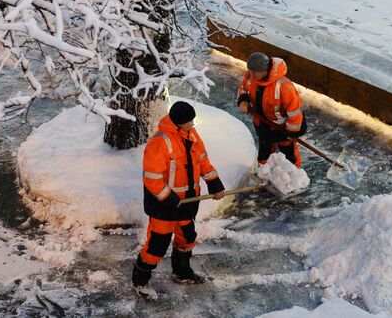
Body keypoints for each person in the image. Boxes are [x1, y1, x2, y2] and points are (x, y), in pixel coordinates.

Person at [131, 101, 226, 299]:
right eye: (188, 122)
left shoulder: (192, 135)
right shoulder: (160, 142)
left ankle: (181, 272)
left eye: (192, 121)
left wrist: (214, 182)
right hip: (164, 205)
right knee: (157, 245)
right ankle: (139, 281)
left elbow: (203, 161)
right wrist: (169, 199)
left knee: (186, 237)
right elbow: (152, 179)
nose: (192, 124)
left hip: (189, 201)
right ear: (178, 123)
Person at [237, 52, 307, 168]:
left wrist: (290, 134)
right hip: (263, 124)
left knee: (288, 154)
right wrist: (243, 100)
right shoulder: (250, 76)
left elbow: (295, 113)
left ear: (264, 70)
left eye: (254, 72)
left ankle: (294, 175)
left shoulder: (284, 86)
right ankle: (264, 173)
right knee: (264, 153)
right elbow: (243, 87)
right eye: (250, 70)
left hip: (282, 128)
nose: (250, 74)